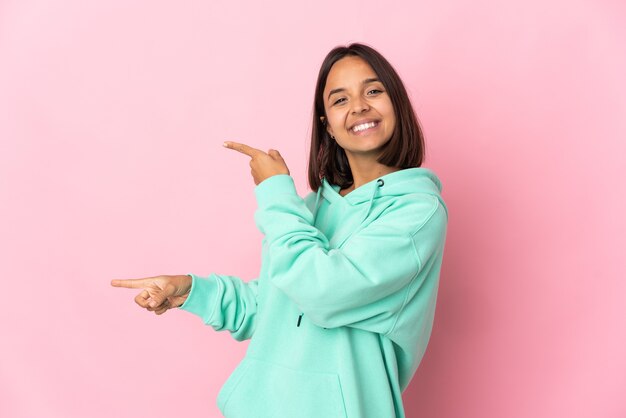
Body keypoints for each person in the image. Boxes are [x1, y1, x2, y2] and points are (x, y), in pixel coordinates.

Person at [111, 42, 448, 418]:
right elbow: (272, 307)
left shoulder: (417, 212)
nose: (359, 106)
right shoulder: (311, 209)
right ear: (328, 126)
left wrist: (274, 193)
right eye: (340, 100)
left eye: (373, 91)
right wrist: (190, 289)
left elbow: (324, 291)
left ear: (397, 105)